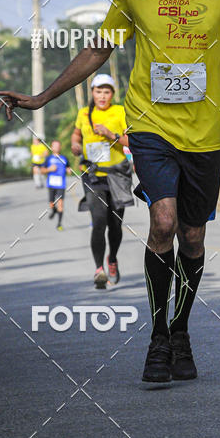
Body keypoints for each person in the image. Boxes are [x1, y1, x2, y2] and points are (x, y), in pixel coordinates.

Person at [0, 0, 220, 383]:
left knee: (193, 236)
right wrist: (41, 98)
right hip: (150, 126)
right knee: (163, 222)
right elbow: (98, 50)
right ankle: (158, 339)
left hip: (206, 134)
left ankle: (181, 331)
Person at [72, 74, 129, 288]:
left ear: (113, 94)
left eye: (106, 92)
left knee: (115, 225)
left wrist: (110, 134)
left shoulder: (120, 112)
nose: (102, 96)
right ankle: (99, 270)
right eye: (98, 92)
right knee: (98, 222)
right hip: (93, 175)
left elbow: (132, 140)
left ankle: (112, 258)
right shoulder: (84, 113)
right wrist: (75, 145)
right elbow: (76, 135)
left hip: (117, 174)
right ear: (92, 93)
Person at [41, 140, 70, 230]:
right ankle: (54, 211)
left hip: (61, 185)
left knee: (60, 204)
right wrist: (49, 169)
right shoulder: (48, 159)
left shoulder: (64, 158)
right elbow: (42, 170)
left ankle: (59, 224)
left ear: (60, 147)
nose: (57, 147)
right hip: (51, 184)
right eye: (55, 146)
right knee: (52, 204)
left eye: (58, 146)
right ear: (51, 147)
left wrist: (68, 170)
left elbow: (68, 167)